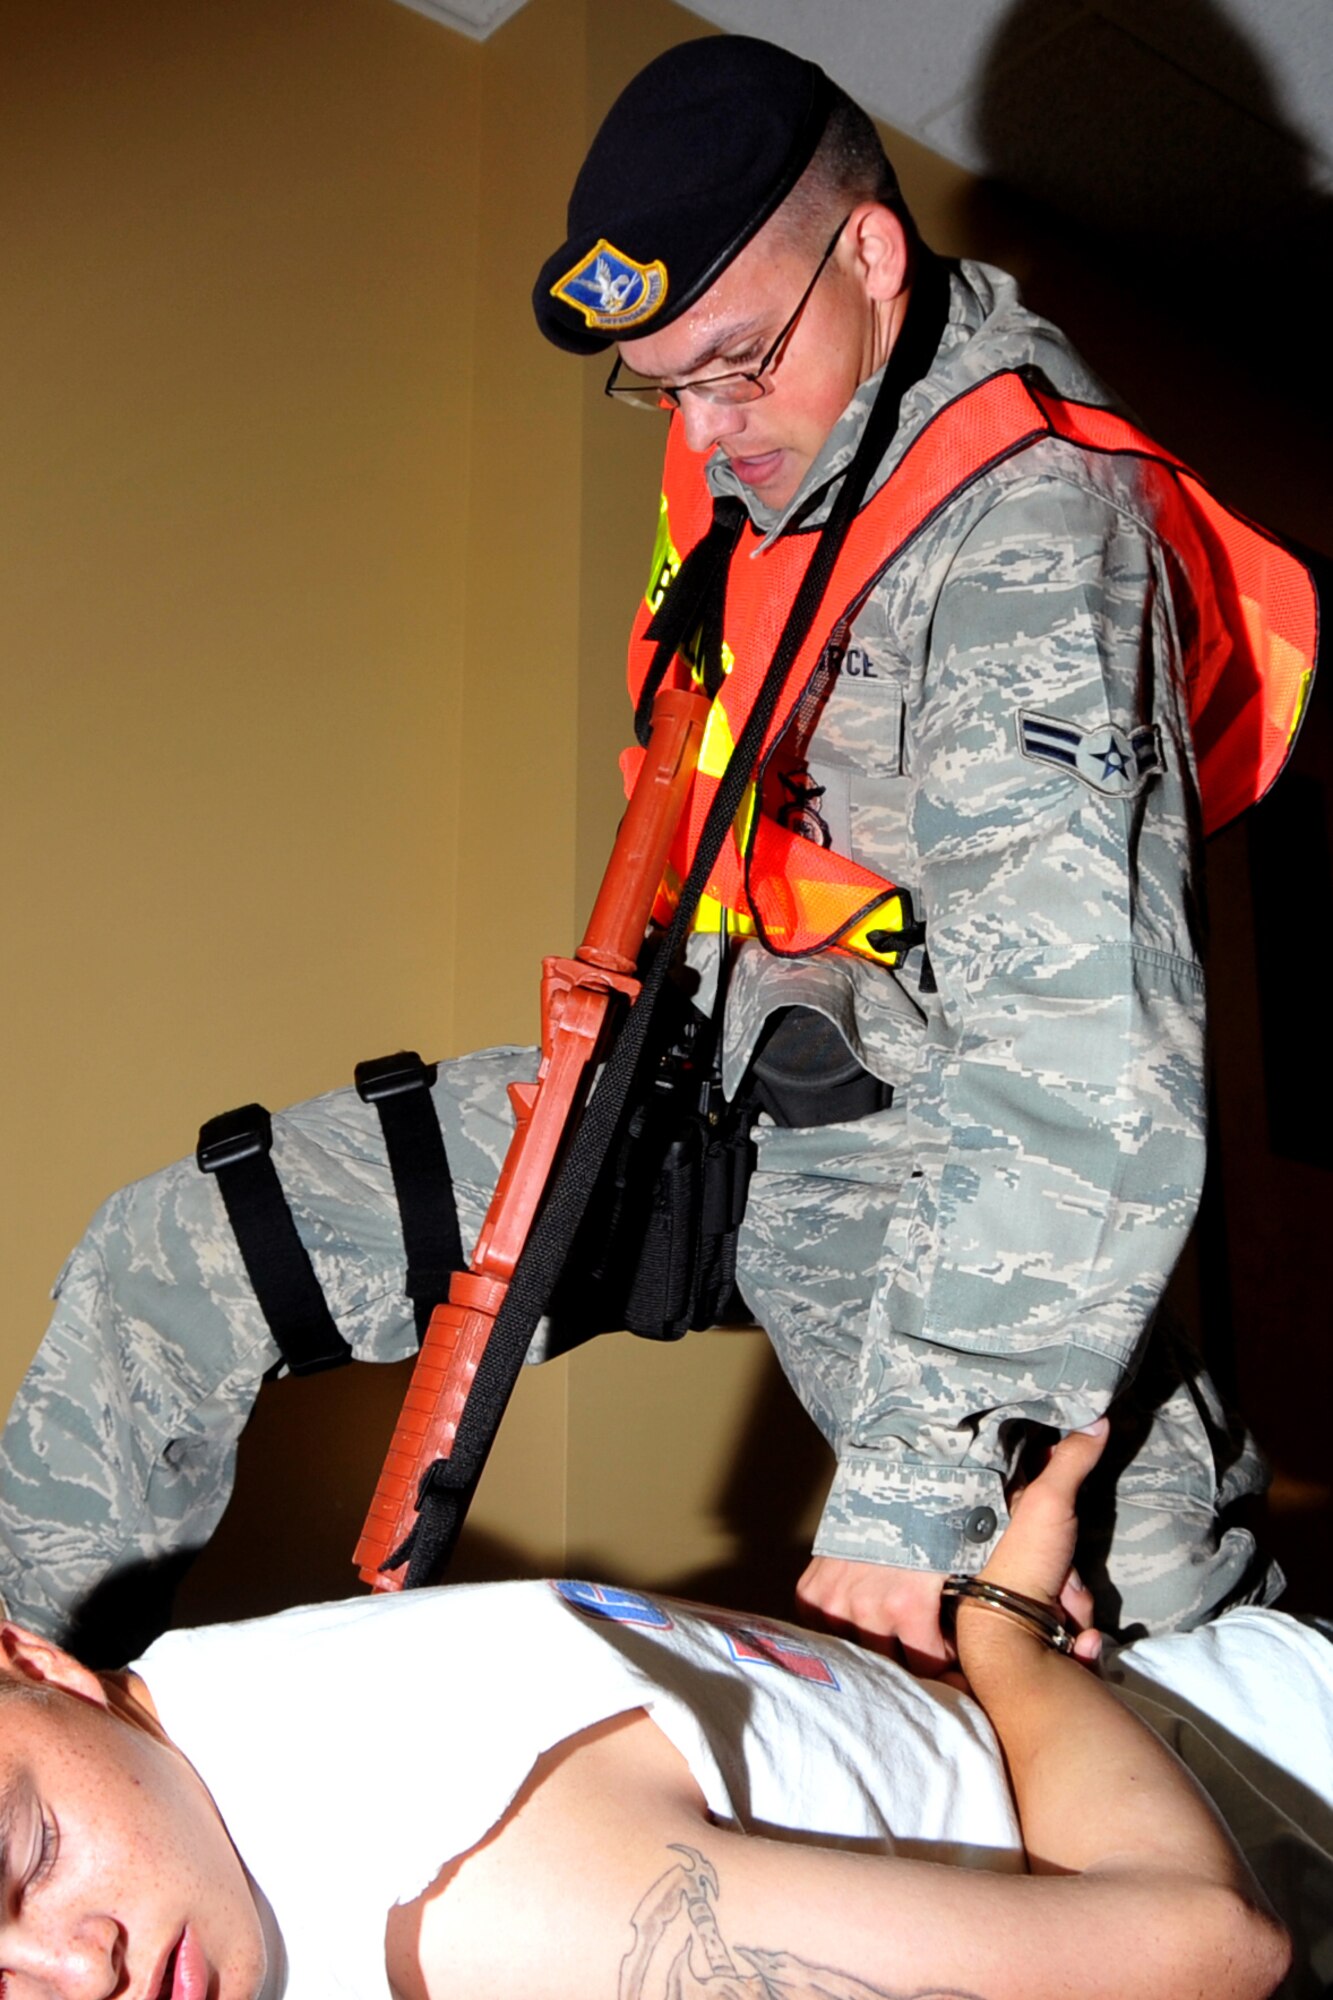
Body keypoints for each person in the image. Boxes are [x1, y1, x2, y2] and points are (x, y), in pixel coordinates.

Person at [0, 34, 1305, 1667]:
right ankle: (21, 1759)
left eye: (738, 363)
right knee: (175, 1257)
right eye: (664, 381)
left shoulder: (1034, 529)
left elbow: (1078, 1043)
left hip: (924, 1153)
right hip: (682, 1086)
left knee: (1147, 1630)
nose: (704, 423)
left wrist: (915, 1483)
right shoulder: (757, 474)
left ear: (871, 256)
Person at [0, 1425, 1320, 2000]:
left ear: (35, 1665)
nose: (76, 1973)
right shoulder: (210, 1707)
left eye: (29, 1857)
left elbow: (1203, 1952)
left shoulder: (455, 1889)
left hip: (1270, 1809)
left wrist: (1003, 1640)